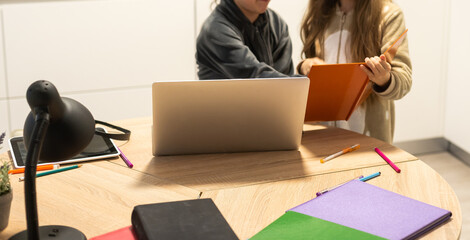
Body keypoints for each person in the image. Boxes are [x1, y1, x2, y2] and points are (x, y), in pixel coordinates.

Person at [297, 0, 412, 143]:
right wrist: (304, 66)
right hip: (321, 134)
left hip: (368, 140)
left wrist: (384, 80)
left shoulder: (389, 14)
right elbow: (309, 66)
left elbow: (403, 81)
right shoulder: (320, 10)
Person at [196, 0, 294, 79]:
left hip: (269, 103)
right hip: (226, 104)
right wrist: (305, 80)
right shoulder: (215, 31)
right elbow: (257, 79)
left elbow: (284, 83)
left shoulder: (277, 24)